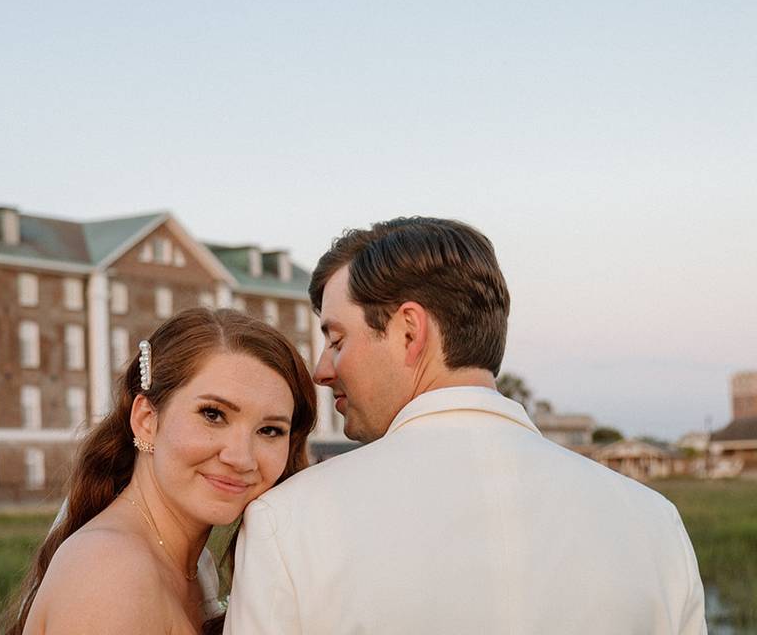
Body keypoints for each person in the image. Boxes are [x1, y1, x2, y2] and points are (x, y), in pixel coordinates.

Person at [224, 217, 706, 634]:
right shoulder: (654, 522)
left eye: (336, 339)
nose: (322, 370)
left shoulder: (289, 522)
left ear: (409, 331)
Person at [1, 308, 316, 635]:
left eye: (269, 430)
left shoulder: (194, 566)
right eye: (213, 414)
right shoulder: (110, 573)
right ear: (147, 420)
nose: (241, 458)